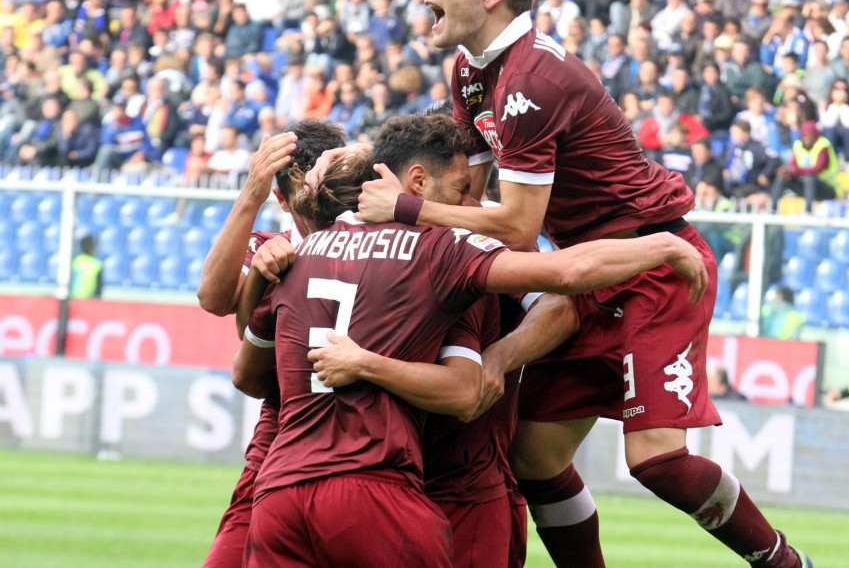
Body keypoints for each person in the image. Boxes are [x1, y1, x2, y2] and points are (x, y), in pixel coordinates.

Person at [357, 0, 811, 568]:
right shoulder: (469, 72)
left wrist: (406, 208)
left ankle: (782, 561)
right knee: (533, 456)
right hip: (586, 272)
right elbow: (480, 205)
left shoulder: (532, 81)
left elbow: (512, 224)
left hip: (656, 262)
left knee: (654, 458)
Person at [237, 114, 709, 568]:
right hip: (378, 488)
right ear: (417, 183)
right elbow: (565, 276)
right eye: (464, 191)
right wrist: (660, 245)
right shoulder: (441, 251)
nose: (473, 208)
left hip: (281, 492)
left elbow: (245, 369)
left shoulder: (298, 252)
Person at [196, 119, 345, 568]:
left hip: (372, 438)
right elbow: (213, 297)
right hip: (284, 435)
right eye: (306, 197)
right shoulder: (272, 247)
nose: (322, 205)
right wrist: (250, 194)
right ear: (280, 199)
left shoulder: (387, 238)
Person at [770, 121, 842, 213]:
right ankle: (773, 209)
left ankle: (808, 211)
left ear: (815, 136)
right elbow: (793, 165)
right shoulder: (798, 145)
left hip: (827, 188)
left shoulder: (823, 145)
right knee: (783, 177)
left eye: (809, 135)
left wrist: (794, 171)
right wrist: (787, 171)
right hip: (808, 189)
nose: (807, 138)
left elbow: (817, 169)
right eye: (804, 135)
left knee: (810, 178)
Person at [70, 235, 103, 299]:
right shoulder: (97, 265)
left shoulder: (76, 261)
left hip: (73, 299)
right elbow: (98, 290)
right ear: (91, 248)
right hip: (88, 301)